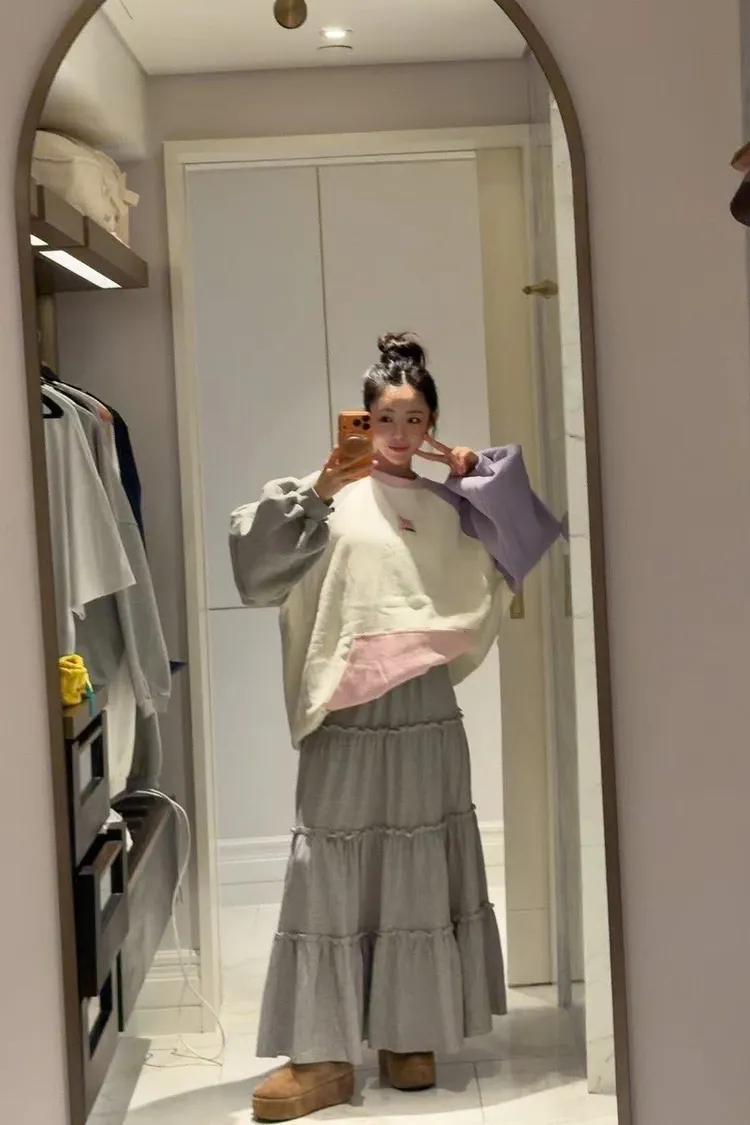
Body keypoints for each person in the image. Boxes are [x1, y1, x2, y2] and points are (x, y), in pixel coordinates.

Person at [229, 333, 564, 1123]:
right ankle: (321, 1051)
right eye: (384, 417)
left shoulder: (452, 504)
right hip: (346, 712)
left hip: (426, 710)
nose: (400, 432)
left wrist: (466, 468)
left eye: (416, 418)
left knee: (418, 860)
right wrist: (322, 482)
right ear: (361, 419)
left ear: (433, 423)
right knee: (329, 865)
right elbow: (256, 568)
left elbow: (527, 534)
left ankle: (408, 1031)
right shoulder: (325, 500)